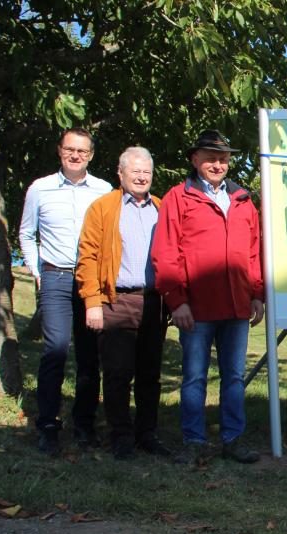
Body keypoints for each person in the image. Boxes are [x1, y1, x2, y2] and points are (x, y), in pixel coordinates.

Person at [151, 129, 265, 464]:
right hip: (196, 309)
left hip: (236, 306)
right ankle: (194, 441)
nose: (217, 164)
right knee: (195, 376)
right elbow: (166, 253)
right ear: (194, 159)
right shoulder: (178, 197)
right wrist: (177, 301)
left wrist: (257, 293)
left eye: (223, 158)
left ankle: (232, 439)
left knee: (233, 376)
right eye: (210, 157)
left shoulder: (243, 201)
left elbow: (253, 252)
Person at [19, 128, 112, 456]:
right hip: (55, 278)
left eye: (82, 151)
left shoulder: (103, 190)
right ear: (60, 151)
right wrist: (37, 270)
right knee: (55, 349)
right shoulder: (40, 188)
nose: (76, 155)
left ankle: (84, 424)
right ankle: (47, 424)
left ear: (91, 155)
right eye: (70, 150)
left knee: (90, 355)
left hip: (91, 281)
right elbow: (27, 233)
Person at [76, 147, 171, 460]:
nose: (142, 177)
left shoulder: (161, 208)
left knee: (150, 373)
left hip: (154, 301)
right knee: (117, 372)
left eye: (146, 173)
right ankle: (121, 435)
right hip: (117, 300)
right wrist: (92, 302)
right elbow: (87, 257)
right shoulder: (103, 208)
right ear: (121, 174)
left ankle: (147, 434)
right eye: (135, 172)